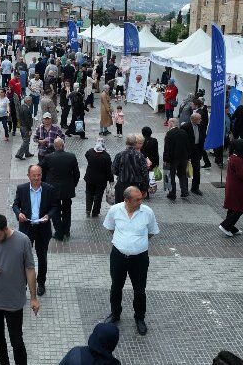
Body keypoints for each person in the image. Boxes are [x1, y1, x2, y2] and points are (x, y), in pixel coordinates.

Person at [0, 214, 40, 365]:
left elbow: (30, 269)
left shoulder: (23, 240)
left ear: (5, 229)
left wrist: (33, 297)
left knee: (17, 341)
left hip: (14, 300)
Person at [102, 187, 159, 336]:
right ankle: (115, 313)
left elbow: (152, 232)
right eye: (137, 199)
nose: (141, 201)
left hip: (139, 258)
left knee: (139, 290)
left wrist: (137, 243)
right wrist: (124, 242)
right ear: (126, 200)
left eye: (141, 198)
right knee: (116, 287)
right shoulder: (115, 210)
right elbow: (110, 228)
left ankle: (140, 318)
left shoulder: (147, 212)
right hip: (118, 256)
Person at [12, 165, 57, 296]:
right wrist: (18, 214)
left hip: (43, 228)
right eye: (34, 175)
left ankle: (41, 283)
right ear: (29, 176)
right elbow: (16, 205)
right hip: (27, 228)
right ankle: (23, 284)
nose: (37, 178)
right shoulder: (22, 189)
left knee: (42, 257)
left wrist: (48, 216)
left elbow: (54, 207)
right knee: (24, 257)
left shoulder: (49, 189)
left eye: (39, 175)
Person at [40, 138, 80, 241]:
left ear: (54, 146)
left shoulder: (48, 157)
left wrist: (44, 183)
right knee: (67, 210)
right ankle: (66, 230)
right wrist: (73, 185)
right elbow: (77, 174)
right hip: (67, 189)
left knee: (55, 211)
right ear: (63, 146)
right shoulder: (71, 157)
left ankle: (59, 233)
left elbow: (40, 168)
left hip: (53, 189)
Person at [219, 139, 243, 237]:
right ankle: (225, 225)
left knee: (232, 207)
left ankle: (231, 227)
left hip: (234, 186)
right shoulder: (236, 159)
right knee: (240, 207)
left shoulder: (235, 157)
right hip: (236, 187)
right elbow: (242, 175)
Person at [112, 134, 150, 198]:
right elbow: (144, 172)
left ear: (126, 142)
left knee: (121, 206)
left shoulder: (119, 155)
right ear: (135, 143)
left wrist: (121, 173)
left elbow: (114, 170)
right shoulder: (140, 156)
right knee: (134, 205)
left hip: (122, 184)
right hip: (136, 185)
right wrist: (145, 187)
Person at [84, 138, 113, 218]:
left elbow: (86, 156)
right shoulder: (106, 156)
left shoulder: (90, 152)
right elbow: (108, 170)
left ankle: (88, 210)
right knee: (98, 195)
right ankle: (95, 212)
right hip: (101, 179)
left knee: (89, 193)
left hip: (90, 178)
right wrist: (111, 180)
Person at [163, 118, 191, 200]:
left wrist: (165, 159)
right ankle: (184, 191)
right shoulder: (183, 132)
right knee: (182, 175)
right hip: (183, 158)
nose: (168, 124)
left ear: (172, 123)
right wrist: (188, 157)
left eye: (168, 123)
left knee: (171, 175)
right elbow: (188, 145)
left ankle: (172, 193)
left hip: (172, 159)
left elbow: (167, 148)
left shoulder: (169, 133)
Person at [181, 113, 205, 196]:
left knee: (197, 170)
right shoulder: (185, 127)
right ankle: (185, 190)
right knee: (186, 171)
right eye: (199, 119)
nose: (200, 120)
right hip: (187, 151)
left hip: (197, 150)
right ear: (193, 119)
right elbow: (182, 141)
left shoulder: (201, 126)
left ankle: (195, 188)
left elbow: (202, 138)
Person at [15, 96, 35, 160]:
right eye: (31, 101)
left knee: (26, 140)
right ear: (28, 101)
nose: (31, 102)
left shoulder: (22, 107)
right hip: (26, 127)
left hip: (22, 126)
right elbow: (27, 120)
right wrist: (29, 129)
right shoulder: (26, 109)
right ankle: (19, 154)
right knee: (26, 141)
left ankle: (27, 153)